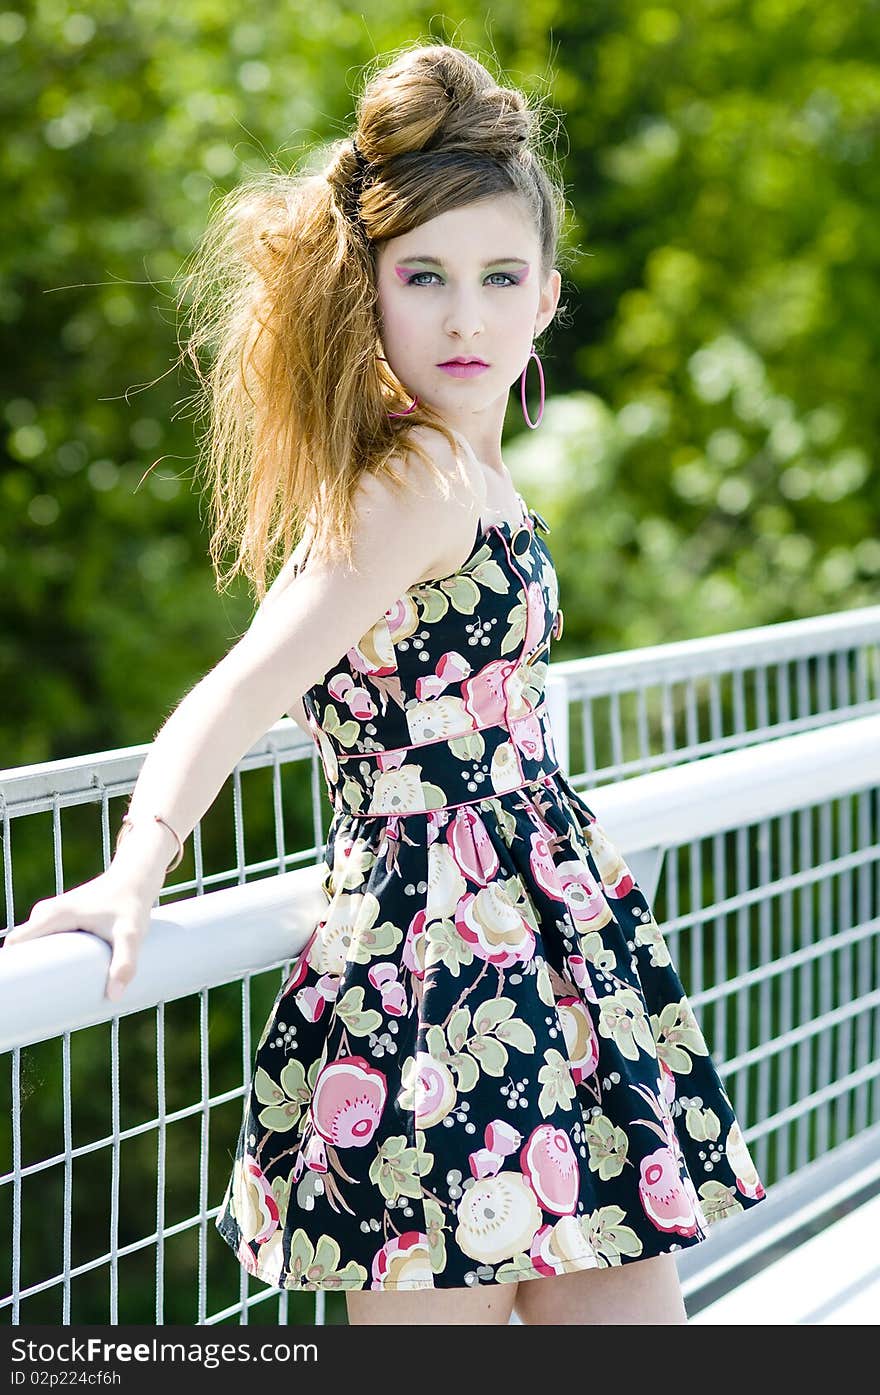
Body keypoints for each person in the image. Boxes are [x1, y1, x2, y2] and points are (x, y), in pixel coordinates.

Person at [6, 42, 766, 1326]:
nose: (464, 316)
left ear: (545, 299)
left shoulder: (474, 476)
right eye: (424, 278)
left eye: (497, 278)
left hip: (546, 947)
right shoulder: (410, 482)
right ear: (370, 292)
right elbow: (245, 686)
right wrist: (138, 865)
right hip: (438, 976)